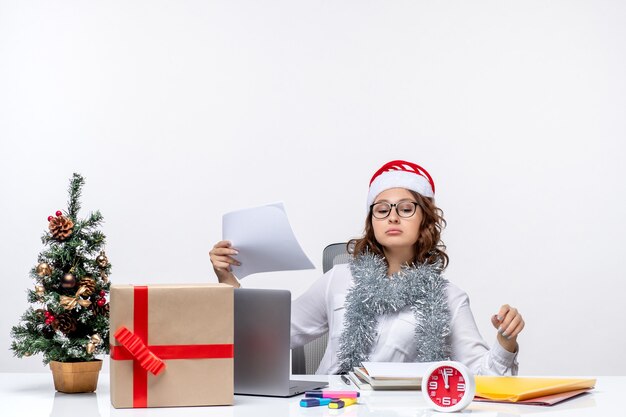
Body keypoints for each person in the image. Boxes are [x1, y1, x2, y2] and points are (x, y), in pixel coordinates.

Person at [210, 160, 524, 375]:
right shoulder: (339, 279)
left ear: (425, 219)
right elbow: (273, 333)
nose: (392, 216)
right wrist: (227, 280)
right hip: (329, 408)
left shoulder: (449, 298)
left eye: (405, 208)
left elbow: (483, 377)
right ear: (371, 221)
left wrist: (505, 341)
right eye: (382, 209)